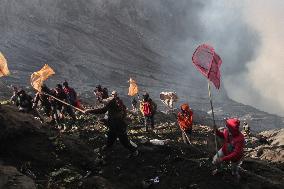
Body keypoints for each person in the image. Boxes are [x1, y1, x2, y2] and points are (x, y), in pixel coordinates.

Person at [84, 91, 138, 156]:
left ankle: (134, 151)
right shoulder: (111, 103)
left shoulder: (118, 105)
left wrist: (90, 111)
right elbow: (103, 110)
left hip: (119, 126)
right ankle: (108, 146)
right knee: (111, 136)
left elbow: (103, 109)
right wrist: (90, 111)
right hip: (112, 124)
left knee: (124, 141)